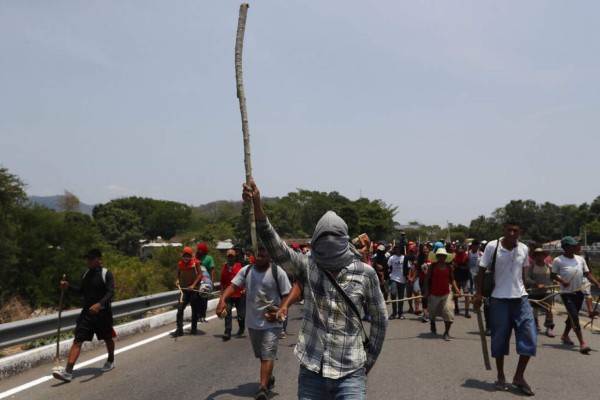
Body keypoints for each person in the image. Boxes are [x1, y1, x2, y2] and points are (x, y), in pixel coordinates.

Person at [242, 180, 387, 400]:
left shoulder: (365, 273)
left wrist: (369, 360)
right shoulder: (308, 265)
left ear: (345, 242)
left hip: (351, 373)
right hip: (312, 371)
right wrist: (257, 206)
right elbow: (275, 246)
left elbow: (380, 319)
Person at [216, 244, 292, 400]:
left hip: (272, 322)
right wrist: (223, 299)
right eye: (257, 251)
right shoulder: (247, 271)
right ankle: (268, 377)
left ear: (269, 254)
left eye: (264, 250)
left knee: (267, 354)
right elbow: (233, 286)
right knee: (261, 354)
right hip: (253, 322)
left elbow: (287, 295)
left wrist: (280, 311)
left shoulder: (278, 272)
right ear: (252, 254)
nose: (260, 254)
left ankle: (262, 388)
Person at [473, 220, 536, 396]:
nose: (512, 234)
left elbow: (523, 275)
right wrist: (478, 294)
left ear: (520, 232)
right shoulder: (492, 247)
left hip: (521, 299)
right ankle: (501, 375)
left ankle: (519, 376)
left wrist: (531, 288)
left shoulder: (523, 248)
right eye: (509, 230)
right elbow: (480, 272)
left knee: (530, 337)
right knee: (499, 340)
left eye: (515, 231)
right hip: (499, 300)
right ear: (503, 230)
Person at [52, 249, 116, 383]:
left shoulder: (106, 274)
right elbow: (81, 291)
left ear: (99, 259)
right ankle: (68, 372)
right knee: (78, 340)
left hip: (102, 314)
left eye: (92, 258)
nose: (89, 261)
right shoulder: (85, 274)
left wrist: (99, 305)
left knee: (107, 338)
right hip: (86, 314)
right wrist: (68, 287)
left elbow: (110, 292)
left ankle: (110, 360)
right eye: (88, 258)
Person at [551, 236, 600, 355]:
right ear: (566, 247)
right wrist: (562, 281)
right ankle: (582, 343)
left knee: (573, 316)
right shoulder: (558, 260)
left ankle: (564, 335)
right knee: (574, 316)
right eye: (573, 246)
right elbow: (552, 276)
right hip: (566, 294)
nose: (577, 247)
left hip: (578, 293)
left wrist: (597, 284)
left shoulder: (580, 259)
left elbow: (587, 274)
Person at [423, 248, 460, 341]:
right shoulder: (432, 267)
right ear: (437, 257)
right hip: (434, 293)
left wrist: (456, 289)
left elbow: (452, 279)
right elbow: (427, 280)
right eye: (439, 256)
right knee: (432, 312)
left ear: (445, 257)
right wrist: (426, 292)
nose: (441, 257)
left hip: (446, 293)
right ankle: (432, 322)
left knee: (448, 312)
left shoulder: (449, 267)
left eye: (443, 256)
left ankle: (446, 332)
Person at [172, 247, 205, 337]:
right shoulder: (180, 264)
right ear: (183, 256)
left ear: (191, 256)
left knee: (194, 310)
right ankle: (179, 329)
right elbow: (178, 273)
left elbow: (200, 275)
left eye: (188, 255)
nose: (186, 257)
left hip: (194, 289)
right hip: (185, 289)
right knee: (180, 308)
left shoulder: (195, 263)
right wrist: (177, 280)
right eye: (185, 255)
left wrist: (193, 285)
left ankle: (193, 328)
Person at [525, 247, 555, 337]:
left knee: (548, 308)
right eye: (537, 255)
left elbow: (554, 277)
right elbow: (527, 279)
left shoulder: (549, 267)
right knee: (535, 309)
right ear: (534, 256)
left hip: (547, 291)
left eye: (541, 255)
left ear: (544, 256)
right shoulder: (531, 267)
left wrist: (560, 281)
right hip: (535, 292)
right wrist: (536, 284)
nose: (539, 256)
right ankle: (536, 323)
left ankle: (549, 327)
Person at [220, 248, 246, 341]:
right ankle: (227, 332)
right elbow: (222, 281)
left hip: (240, 294)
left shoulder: (241, 267)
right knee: (227, 313)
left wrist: (245, 289)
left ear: (235, 257)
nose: (230, 258)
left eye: (232, 256)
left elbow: (246, 280)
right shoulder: (224, 268)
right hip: (229, 295)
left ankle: (241, 327)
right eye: (229, 257)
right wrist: (223, 292)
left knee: (241, 316)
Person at [196, 243, 215, 322]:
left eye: (201, 250)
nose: (200, 251)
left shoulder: (209, 258)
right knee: (197, 299)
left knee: (204, 299)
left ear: (204, 250)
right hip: (197, 281)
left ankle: (203, 315)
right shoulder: (196, 258)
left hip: (206, 281)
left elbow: (212, 271)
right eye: (199, 249)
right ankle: (197, 315)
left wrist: (212, 282)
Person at [387, 245, 407, 320]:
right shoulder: (392, 258)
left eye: (399, 248)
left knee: (401, 297)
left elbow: (408, 268)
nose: (397, 250)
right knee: (393, 294)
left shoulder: (405, 257)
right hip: (394, 278)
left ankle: (400, 313)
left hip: (402, 279)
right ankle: (394, 312)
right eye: (396, 249)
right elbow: (388, 266)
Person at [453, 245, 472, 318]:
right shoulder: (454, 258)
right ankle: (456, 307)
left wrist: (459, 267)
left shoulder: (466, 257)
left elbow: (468, 267)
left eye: (461, 251)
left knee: (467, 295)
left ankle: (467, 311)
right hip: (456, 278)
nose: (460, 253)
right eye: (459, 251)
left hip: (465, 278)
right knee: (456, 294)